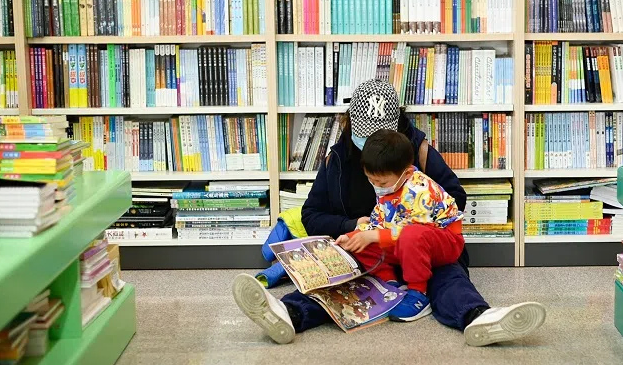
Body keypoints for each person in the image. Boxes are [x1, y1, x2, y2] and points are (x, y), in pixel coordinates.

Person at [233, 79, 546, 346]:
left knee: (449, 278)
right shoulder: (338, 159)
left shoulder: (416, 153)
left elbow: (456, 201)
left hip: (422, 249)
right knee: (340, 287)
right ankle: (286, 314)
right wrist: (353, 225)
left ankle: (480, 317)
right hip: (370, 251)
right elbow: (311, 214)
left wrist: (408, 226)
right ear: (350, 124)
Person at [336, 128, 466, 321]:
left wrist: (373, 235)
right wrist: (354, 235)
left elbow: (412, 232)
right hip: (406, 241)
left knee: (409, 235)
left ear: (405, 173)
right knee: (358, 240)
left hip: (444, 241)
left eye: (381, 182)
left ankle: (418, 293)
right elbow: (379, 223)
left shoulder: (420, 189)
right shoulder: (390, 187)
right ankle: (390, 282)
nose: (376, 186)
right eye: (371, 181)